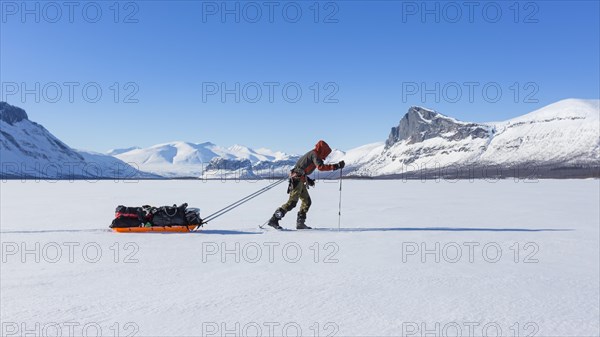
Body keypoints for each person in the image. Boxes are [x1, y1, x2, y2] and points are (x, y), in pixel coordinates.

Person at [267, 140, 345, 230]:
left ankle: (300, 223)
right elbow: (320, 167)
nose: (326, 155)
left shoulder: (314, 154)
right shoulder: (314, 154)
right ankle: (274, 219)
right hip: (296, 180)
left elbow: (302, 169)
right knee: (292, 203)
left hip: (300, 179)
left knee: (307, 202)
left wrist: (308, 180)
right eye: (326, 153)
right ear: (322, 150)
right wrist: (337, 166)